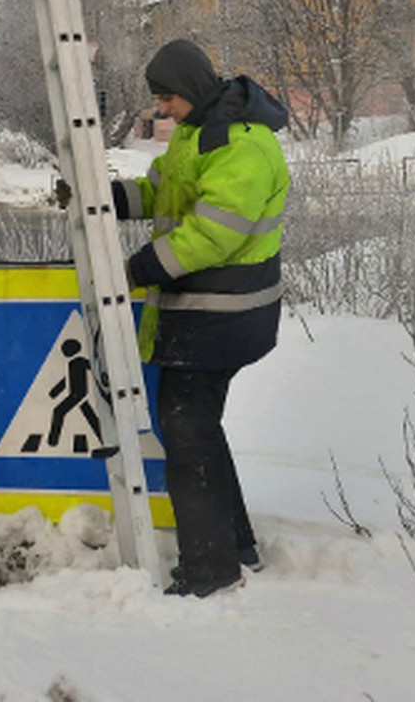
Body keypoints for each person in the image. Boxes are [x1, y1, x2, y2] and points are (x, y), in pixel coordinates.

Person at [114, 38, 290, 599]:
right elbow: (163, 193)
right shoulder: (196, 137)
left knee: (187, 433)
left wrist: (138, 269)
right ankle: (237, 547)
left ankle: (211, 571)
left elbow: (212, 235)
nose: (162, 109)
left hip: (224, 317)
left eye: (167, 98)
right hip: (207, 315)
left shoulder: (243, 146)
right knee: (197, 431)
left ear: (191, 90)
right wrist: (108, 199)